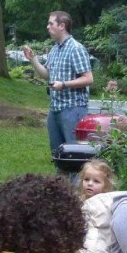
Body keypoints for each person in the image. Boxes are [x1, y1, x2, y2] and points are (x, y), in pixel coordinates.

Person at [23, 11, 93, 173]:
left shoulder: (76, 48)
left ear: (62, 26)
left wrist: (64, 84)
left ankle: (77, 194)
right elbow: (46, 74)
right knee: (59, 156)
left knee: (75, 157)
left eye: (51, 24)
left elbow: (88, 78)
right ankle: (61, 193)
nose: (48, 27)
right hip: (55, 110)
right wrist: (32, 59)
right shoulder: (54, 49)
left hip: (73, 110)